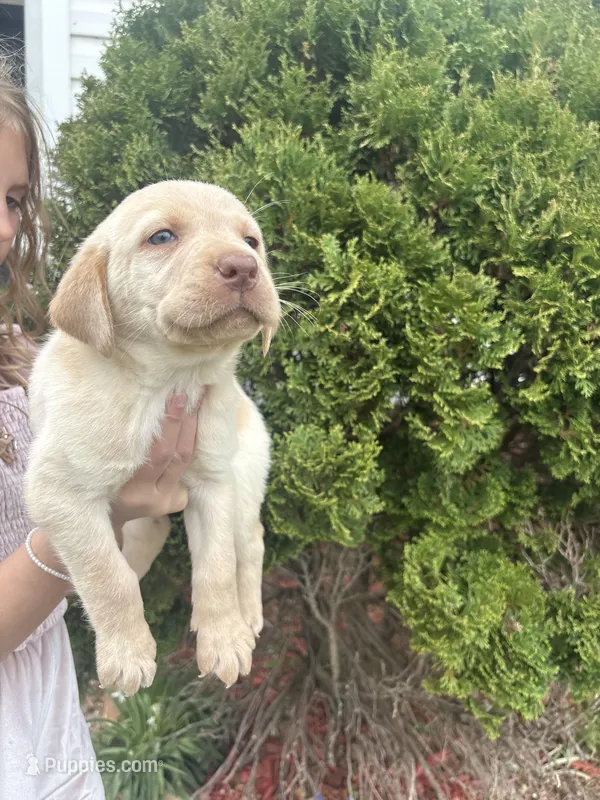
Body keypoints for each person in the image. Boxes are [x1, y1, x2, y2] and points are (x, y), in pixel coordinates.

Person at [0, 58, 199, 796]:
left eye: (15, 198)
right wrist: (91, 514)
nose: (4, 226)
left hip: (48, 736)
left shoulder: (21, 360)